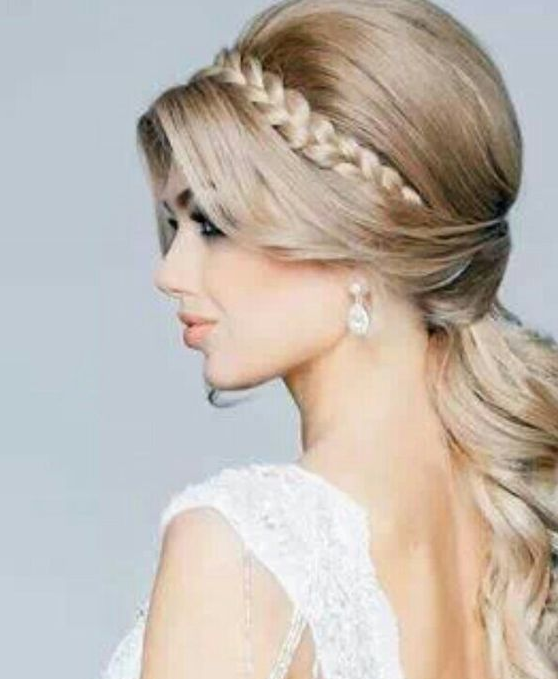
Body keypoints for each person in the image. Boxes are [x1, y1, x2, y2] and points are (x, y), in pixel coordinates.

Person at [101, 1, 558, 678]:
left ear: (355, 241)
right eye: (174, 226)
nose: (169, 273)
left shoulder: (241, 547)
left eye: (214, 225)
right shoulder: (513, 532)